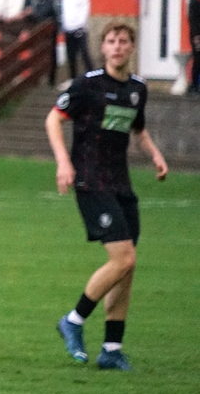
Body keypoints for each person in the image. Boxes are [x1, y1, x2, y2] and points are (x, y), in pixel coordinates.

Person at [47, 22, 168, 371]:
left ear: (132, 47)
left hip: (121, 184)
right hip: (91, 181)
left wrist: (155, 155)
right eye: (111, 41)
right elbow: (54, 119)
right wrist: (63, 162)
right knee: (123, 259)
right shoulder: (88, 84)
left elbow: (138, 129)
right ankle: (73, 320)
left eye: (124, 41)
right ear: (103, 48)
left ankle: (111, 349)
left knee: (126, 268)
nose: (117, 46)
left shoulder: (137, 89)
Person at [24, 0, 59, 85]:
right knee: (36, 54)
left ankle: (51, 80)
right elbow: (26, 10)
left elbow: (46, 12)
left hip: (49, 32)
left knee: (51, 55)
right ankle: (35, 79)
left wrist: (32, 13)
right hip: (35, 31)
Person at [60, 0, 93, 83]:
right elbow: (65, 11)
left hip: (79, 29)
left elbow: (85, 9)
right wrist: (64, 26)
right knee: (71, 56)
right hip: (68, 29)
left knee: (84, 53)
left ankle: (93, 78)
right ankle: (73, 79)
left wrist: (81, 25)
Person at [188, 0, 200, 96]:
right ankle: (194, 85)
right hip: (197, 36)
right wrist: (196, 36)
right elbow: (192, 20)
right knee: (198, 60)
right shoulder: (194, 2)